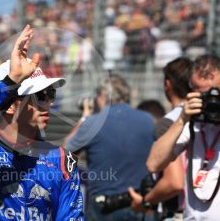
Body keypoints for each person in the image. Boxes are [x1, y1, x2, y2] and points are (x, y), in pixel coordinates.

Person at [0, 25, 84, 220]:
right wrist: (11, 83)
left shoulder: (61, 160)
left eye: (50, 94)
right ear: (9, 105)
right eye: (39, 96)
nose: (48, 103)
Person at [64, 74, 155, 220]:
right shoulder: (148, 119)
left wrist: (84, 118)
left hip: (105, 206)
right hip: (140, 202)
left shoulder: (93, 123)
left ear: (101, 96)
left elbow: (65, 151)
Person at [147, 54, 220, 220]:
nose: (212, 102)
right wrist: (181, 120)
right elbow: (153, 164)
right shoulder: (192, 123)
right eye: (205, 95)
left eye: (216, 94)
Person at [129, 57, 193, 220]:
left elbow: (174, 182)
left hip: (180, 213)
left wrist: (145, 201)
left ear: (168, 85)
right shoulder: (206, 118)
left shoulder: (170, 122)